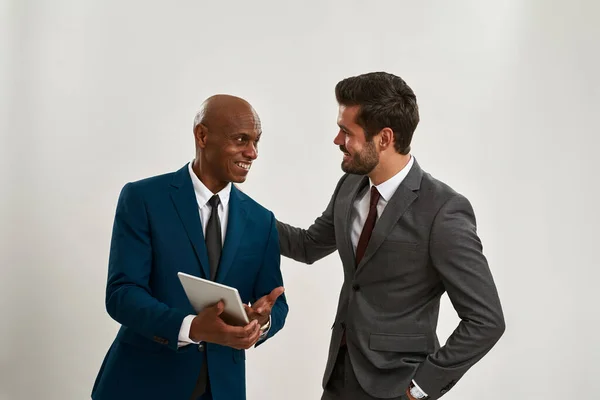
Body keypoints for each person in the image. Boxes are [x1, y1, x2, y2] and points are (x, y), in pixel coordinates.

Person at [276, 72, 505, 400]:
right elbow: (307, 245)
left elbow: (486, 320)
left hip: (399, 386)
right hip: (340, 376)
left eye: (346, 131)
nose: (337, 141)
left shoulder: (443, 210)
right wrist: (243, 213)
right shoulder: (349, 187)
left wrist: (423, 386)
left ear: (384, 138)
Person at [91, 95, 288, 400]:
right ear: (202, 135)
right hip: (143, 383)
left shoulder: (261, 220)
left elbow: (274, 301)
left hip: (223, 388)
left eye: (256, 142)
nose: (252, 152)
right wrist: (192, 327)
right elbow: (122, 294)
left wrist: (261, 323)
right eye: (241, 139)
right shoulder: (143, 199)